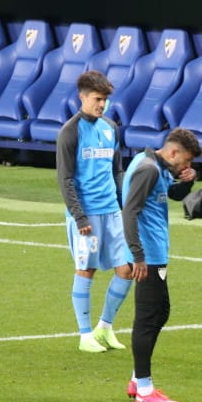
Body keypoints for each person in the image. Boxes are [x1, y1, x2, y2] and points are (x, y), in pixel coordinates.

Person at [121, 128, 201, 402]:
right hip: (148, 256)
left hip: (153, 253)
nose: (186, 166)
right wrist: (138, 255)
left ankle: (137, 379)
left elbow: (171, 195)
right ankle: (143, 389)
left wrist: (187, 181)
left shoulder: (154, 165)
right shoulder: (149, 170)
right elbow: (129, 210)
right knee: (147, 318)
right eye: (186, 161)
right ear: (173, 152)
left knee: (160, 312)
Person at [57, 71, 132, 354]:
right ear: (82, 97)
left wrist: (123, 205)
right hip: (86, 214)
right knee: (86, 270)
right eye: (97, 99)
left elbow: (117, 171)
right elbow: (65, 179)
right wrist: (79, 217)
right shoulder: (70, 132)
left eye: (105, 100)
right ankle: (84, 334)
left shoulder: (111, 127)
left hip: (111, 211)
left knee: (126, 269)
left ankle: (105, 327)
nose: (101, 105)